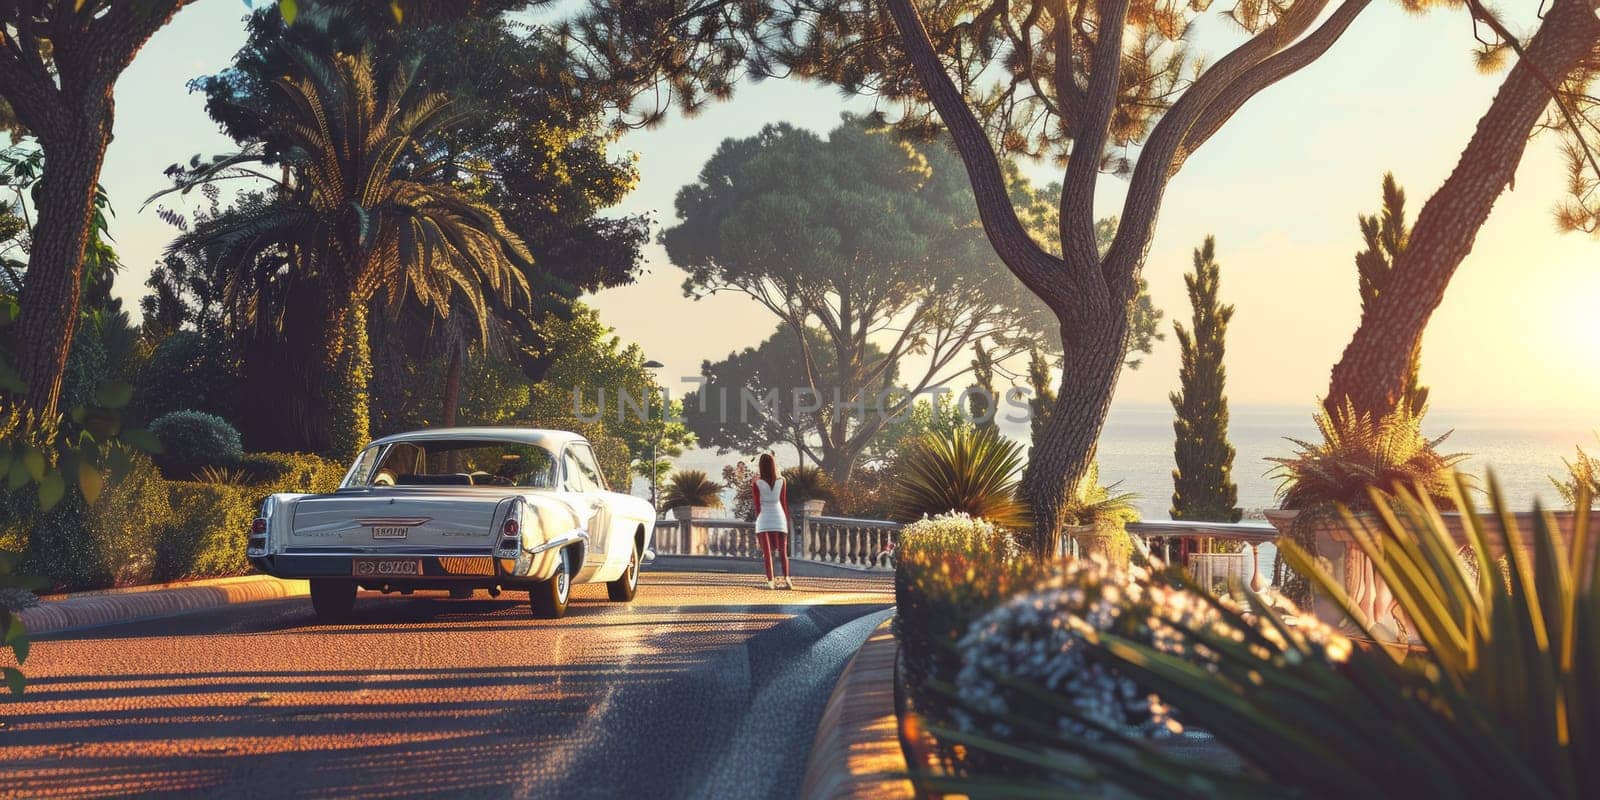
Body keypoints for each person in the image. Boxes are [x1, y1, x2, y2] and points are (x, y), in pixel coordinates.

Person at [751, 453, 792, 590]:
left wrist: (759, 519)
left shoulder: (757, 483)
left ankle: (770, 581)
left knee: (767, 553)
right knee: (782, 551)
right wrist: (786, 521)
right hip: (779, 517)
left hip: (764, 518)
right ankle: (787, 579)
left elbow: (757, 505)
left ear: (761, 466)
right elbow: (784, 503)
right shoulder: (782, 481)